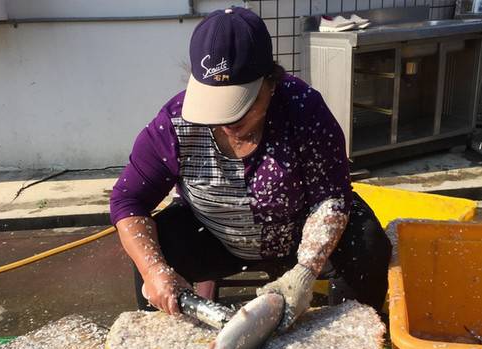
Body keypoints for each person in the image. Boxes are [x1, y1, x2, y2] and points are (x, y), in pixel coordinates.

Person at [110, 7, 392, 331]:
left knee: (368, 242)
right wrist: (153, 270)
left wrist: (306, 270)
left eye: (240, 107)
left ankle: (350, 336)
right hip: (215, 237)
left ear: (270, 83)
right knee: (157, 247)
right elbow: (127, 201)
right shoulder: (174, 124)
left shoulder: (303, 109)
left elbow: (331, 195)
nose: (227, 122)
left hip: (295, 235)